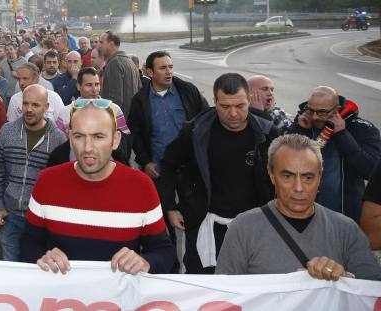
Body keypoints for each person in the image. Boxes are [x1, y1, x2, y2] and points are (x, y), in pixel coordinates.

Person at [22, 92, 174, 275]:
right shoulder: (47, 181)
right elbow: (28, 243)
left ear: (115, 140)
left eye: (98, 137)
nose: (87, 148)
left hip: (120, 301)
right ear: (70, 137)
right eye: (79, 136)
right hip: (62, 300)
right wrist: (41, 257)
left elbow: (164, 252)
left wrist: (146, 262)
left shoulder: (141, 186)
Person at [216, 134, 381, 281]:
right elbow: (225, 296)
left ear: (320, 177)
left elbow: (371, 292)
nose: (299, 187)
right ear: (271, 175)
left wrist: (345, 279)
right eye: (287, 176)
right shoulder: (243, 227)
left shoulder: (346, 230)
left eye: (308, 177)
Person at [158, 73, 278, 274]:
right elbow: (168, 164)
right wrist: (170, 207)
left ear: (249, 100)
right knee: (202, 284)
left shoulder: (267, 133)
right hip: (204, 223)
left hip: (253, 225)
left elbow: (283, 174)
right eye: (225, 107)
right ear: (215, 102)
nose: (233, 113)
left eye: (240, 106)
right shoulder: (196, 131)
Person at [0, 84, 66, 262]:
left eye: (35, 105)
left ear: (46, 107)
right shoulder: (7, 132)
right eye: (25, 104)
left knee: (37, 270)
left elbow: (60, 185)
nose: (29, 109)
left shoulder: (58, 139)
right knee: (11, 271)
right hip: (10, 216)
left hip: (40, 220)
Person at [286, 86, 380, 223]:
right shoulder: (302, 123)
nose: (315, 117)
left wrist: (342, 135)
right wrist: (298, 130)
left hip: (343, 216)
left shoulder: (362, 129)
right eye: (311, 110)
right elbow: (282, 163)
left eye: (322, 112)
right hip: (303, 215)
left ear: (337, 109)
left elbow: (371, 171)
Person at [129, 51, 209, 180]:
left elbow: (206, 118)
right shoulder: (140, 101)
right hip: (158, 170)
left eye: (170, 67)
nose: (168, 72)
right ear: (150, 72)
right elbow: (135, 134)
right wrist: (145, 162)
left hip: (190, 168)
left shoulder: (188, 91)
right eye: (162, 68)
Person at [99, 32, 140, 118]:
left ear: (111, 44)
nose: (99, 46)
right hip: (132, 119)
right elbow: (140, 90)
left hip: (120, 122)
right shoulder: (129, 61)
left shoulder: (115, 63)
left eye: (102, 42)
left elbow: (115, 100)